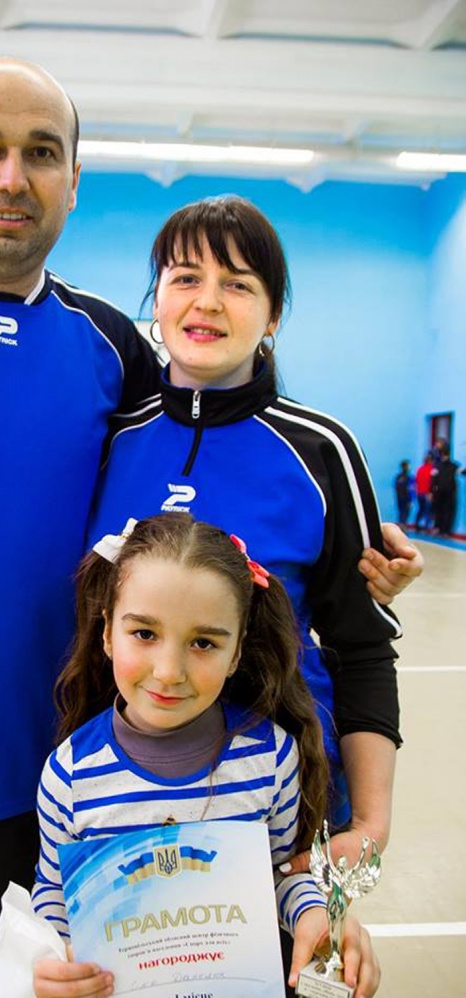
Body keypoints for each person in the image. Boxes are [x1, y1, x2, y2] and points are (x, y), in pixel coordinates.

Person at [0, 59, 418, 998]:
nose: (13, 176)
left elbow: (211, 454)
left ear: (73, 180)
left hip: (64, 782)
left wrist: (359, 548)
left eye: (41, 153)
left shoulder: (113, 348)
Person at [88, 195, 402, 884]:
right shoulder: (111, 439)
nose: (207, 301)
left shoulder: (322, 450)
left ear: (273, 315)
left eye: (237, 284)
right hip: (122, 806)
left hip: (283, 808)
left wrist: (371, 824)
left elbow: (362, 647)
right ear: (158, 298)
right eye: (186, 278)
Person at [31, 514, 380, 998]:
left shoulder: (271, 758)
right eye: (144, 633)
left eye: (203, 643)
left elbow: (282, 873)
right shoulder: (70, 775)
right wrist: (49, 963)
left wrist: (315, 915)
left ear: (237, 651)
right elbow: (54, 893)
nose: (168, 672)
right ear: (107, 633)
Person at [431, 438, 459, 537]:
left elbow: (462, 472)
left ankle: (445, 531)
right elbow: (433, 479)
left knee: (448, 512)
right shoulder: (437, 466)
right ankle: (439, 528)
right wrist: (432, 491)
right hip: (439, 493)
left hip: (450, 493)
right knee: (439, 511)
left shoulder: (454, 466)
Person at [414, 451, 435, 532]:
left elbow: (417, 480)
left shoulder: (420, 469)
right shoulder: (432, 469)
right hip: (427, 493)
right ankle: (426, 527)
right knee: (428, 511)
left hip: (419, 493)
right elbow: (432, 482)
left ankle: (417, 525)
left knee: (420, 509)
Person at [393, 459, 413, 526]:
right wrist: (410, 500)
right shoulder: (408, 478)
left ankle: (401, 525)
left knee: (401, 514)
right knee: (405, 514)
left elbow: (396, 488)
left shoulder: (398, 477)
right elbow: (410, 490)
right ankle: (402, 526)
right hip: (405, 500)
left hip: (399, 499)